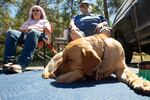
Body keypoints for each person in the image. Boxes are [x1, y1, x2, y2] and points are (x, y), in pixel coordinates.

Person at [3, 5, 52, 73]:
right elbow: (21, 29)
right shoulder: (29, 21)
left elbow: (47, 30)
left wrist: (33, 29)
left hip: (40, 36)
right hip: (26, 36)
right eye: (33, 10)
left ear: (41, 12)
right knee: (11, 32)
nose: (35, 11)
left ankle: (22, 64)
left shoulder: (44, 21)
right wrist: (25, 30)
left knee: (33, 32)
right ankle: (8, 62)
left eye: (37, 10)